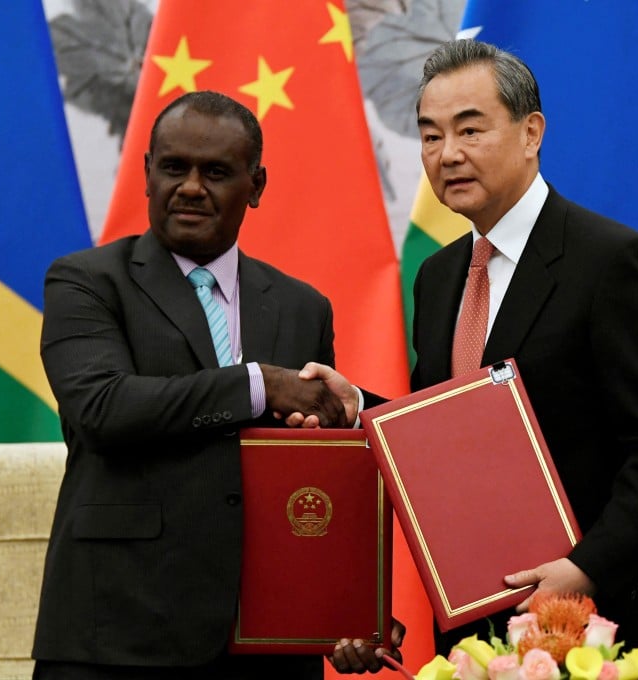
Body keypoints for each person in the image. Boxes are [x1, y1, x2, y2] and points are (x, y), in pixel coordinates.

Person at [32, 90, 401, 679]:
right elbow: (103, 408)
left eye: (218, 172)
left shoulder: (303, 308)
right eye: (174, 168)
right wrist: (260, 385)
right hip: (118, 638)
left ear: (256, 187)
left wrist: (348, 605)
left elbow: (318, 470)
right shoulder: (86, 282)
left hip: (266, 644)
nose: (192, 187)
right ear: (147, 174)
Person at [411, 40, 638, 659]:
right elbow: (443, 431)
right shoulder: (438, 278)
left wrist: (585, 570)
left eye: (470, 130)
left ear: (530, 132)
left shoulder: (611, 262)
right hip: (472, 631)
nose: (449, 155)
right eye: (431, 137)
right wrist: (353, 401)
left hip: (595, 625)